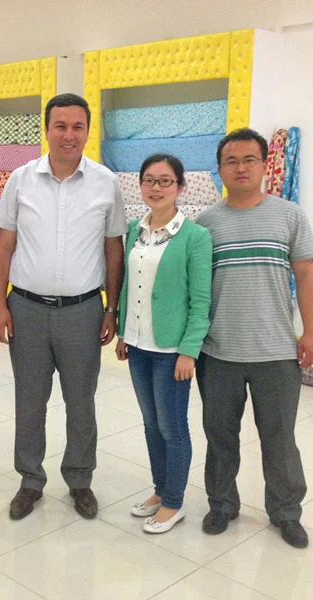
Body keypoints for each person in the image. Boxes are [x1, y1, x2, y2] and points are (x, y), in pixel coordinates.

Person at [0, 93, 128, 520]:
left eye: (77, 127)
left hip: (82, 312)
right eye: (60, 126)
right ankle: (30, 480)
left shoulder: (106, 182)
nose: (69, 135)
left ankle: (80, 479)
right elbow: (3, 246)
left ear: (87, 130)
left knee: (81, 401)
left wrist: (111, 309)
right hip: (26, 310)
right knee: (29, 401)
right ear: (46, 129)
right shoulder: (20, 180)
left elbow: (114, 249)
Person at [194, 128, 313, 549]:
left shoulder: (289, 215)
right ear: (220, 169)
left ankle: (286, 512)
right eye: (231, 161)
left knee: (279, 439)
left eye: (250, 159)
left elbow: (306, 274)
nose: (241, 167)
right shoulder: (205, 224)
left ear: (265, 165)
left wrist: (310, 332)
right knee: (220, 437)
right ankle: (221, 504)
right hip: (218, 352)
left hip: (276, 352)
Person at [114, 154, 212, 534]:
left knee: (173, 427)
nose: (156, 188)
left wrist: (189, 350)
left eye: (165, 181)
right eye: (149, 180)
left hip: (171, 351)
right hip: (138, 345)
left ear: (180, 187)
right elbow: (128, 286)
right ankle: (160, 490)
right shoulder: (133, 230)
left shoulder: (195, 237)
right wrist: (123, 333)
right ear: (140, 185)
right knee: (151, 424)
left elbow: (201, 301)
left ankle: (174, 502)